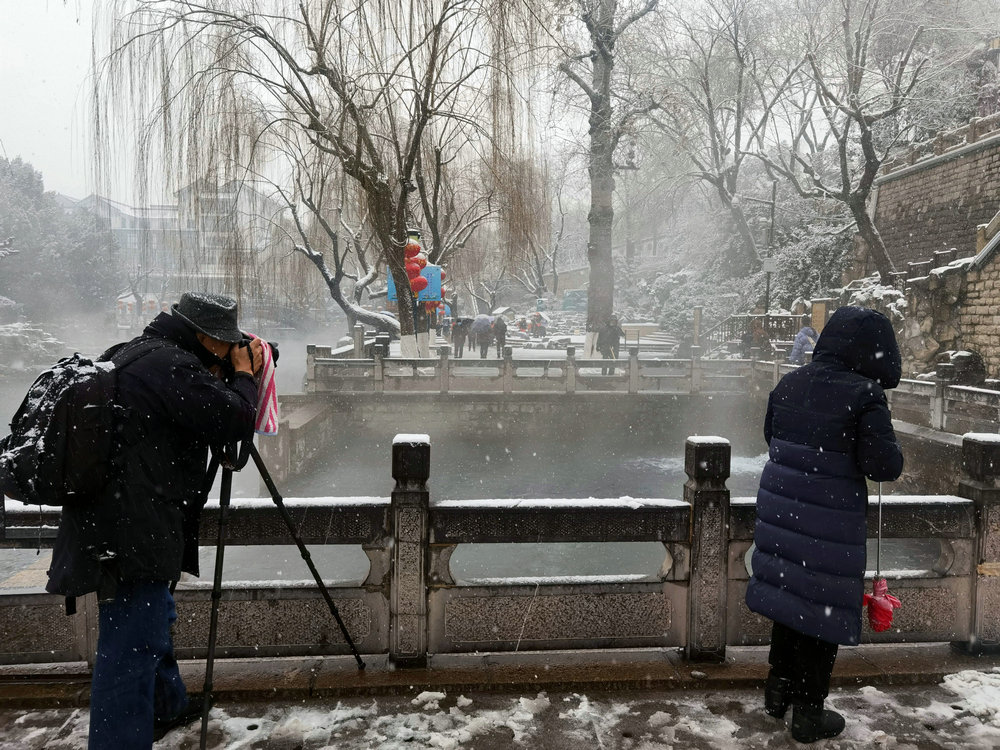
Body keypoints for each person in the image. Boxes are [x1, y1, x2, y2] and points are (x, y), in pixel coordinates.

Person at [46, 292, 262, 749]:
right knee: (129, 653)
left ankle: (168, 703)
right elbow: (237, 419)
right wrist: (244, 375)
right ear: (204, 337)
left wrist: (225, 370)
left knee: (150, 616)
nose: (227, 352)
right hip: (132, 535)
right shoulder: (172, 368)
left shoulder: (133, 354)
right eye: (225, 345)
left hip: (108, 522)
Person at [745, 306, 903, 744]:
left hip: (783, 516)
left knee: (788, 600)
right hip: (828, 525)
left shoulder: (790, 382)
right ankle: (809, 712)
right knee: (822, 612)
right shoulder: (864, 394)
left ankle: (777, 693)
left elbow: (771, 436)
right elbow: (882, 465)